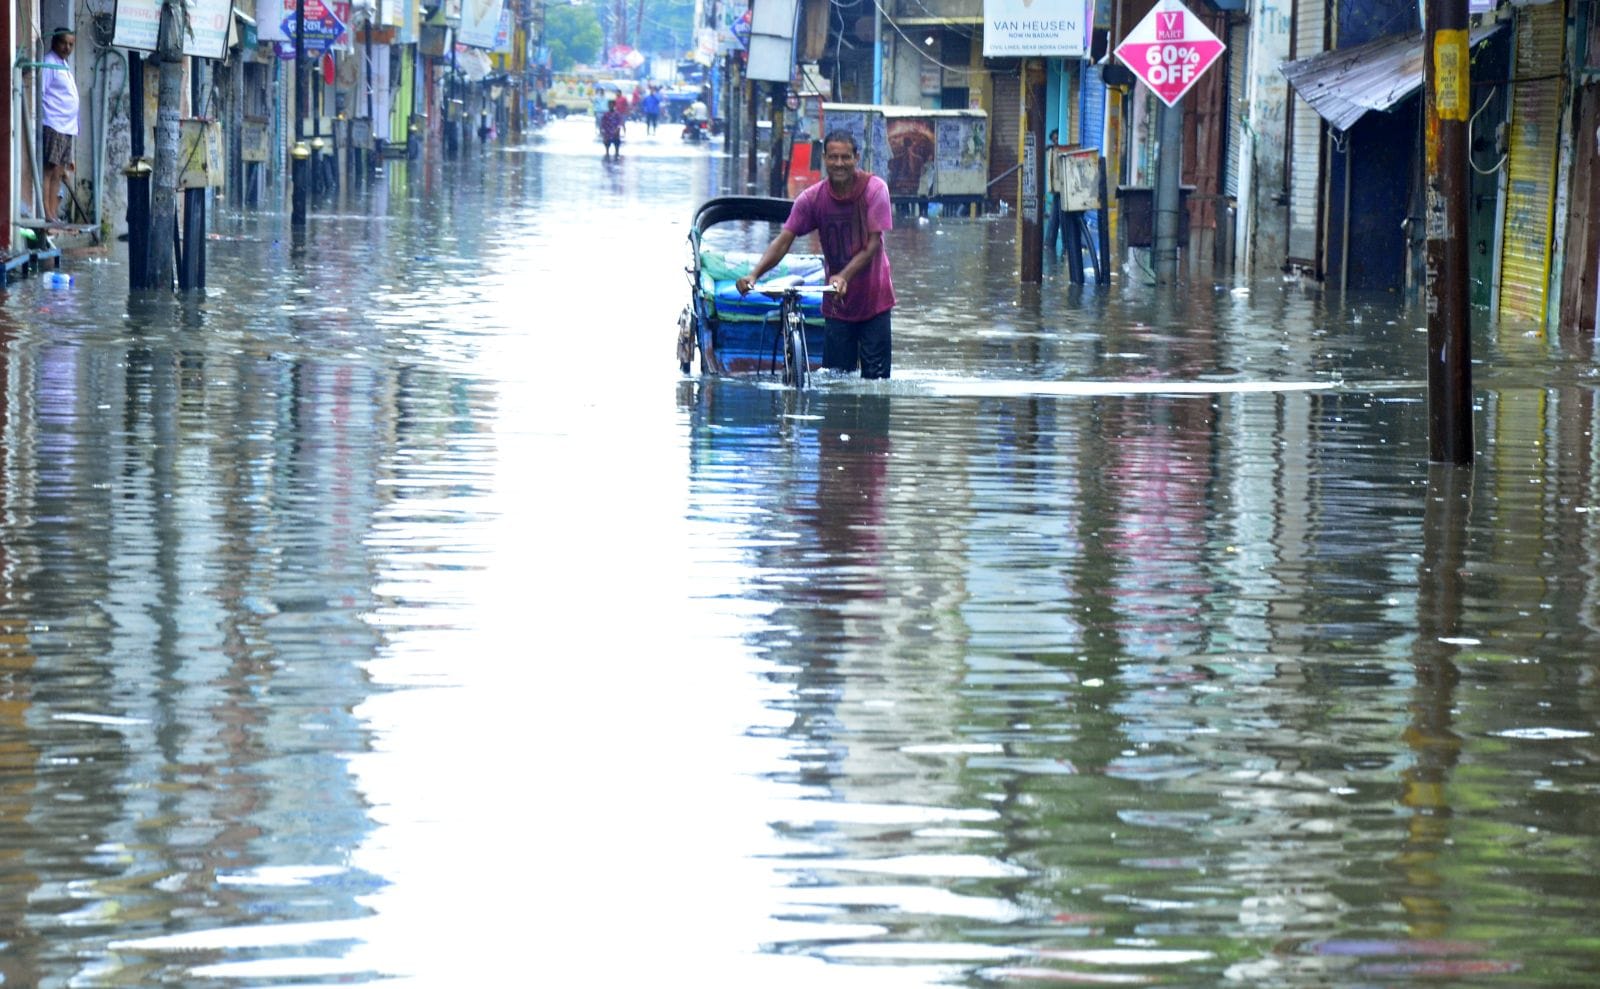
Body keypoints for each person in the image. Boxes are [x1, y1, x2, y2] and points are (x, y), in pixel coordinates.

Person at [736, 130, 895, 379]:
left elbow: (873, 244)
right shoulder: (812, 199)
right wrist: (754, 275)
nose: (839, 164)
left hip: (874, 301)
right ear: (824, 158)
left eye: (845, 157)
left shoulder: (875, 190)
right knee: (836, 381)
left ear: (856, 157)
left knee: (876, 382)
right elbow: (784, 239)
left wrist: (843, 276)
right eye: (833, 157)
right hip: (837, 304)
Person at [39, 27, 78, 224]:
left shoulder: (63, 65)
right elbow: (42, 93)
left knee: (58, 172)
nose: (67, 48)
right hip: (53, 124)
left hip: (67, 127)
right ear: (55, 42)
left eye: (71, 44)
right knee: (49, 169)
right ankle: (46, 212)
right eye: (64, 43)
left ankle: (54, 213)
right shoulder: (49, 63)